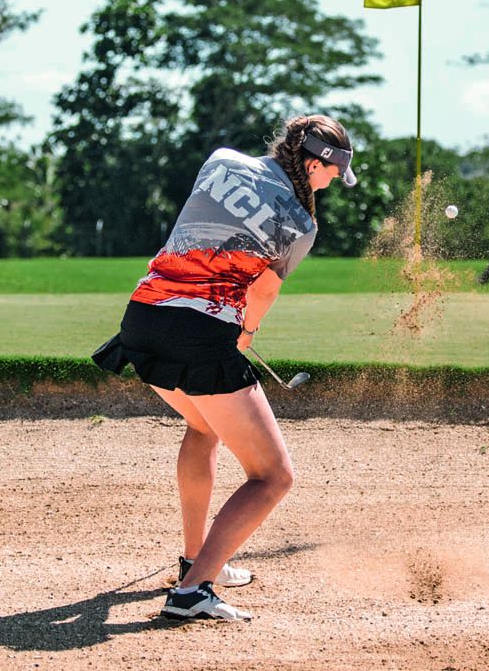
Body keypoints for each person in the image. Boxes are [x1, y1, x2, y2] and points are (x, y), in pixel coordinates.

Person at [92, 114, 355, 622]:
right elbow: (264, 290)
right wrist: (246, 333)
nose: (330, 185)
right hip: (200, 337)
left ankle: (196, 558)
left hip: (142, 317)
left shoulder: (222, 159)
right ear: (316, 163)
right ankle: (193, 590)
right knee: (273, 476)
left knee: (202, 426)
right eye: (330, 175)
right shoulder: (301, 224)